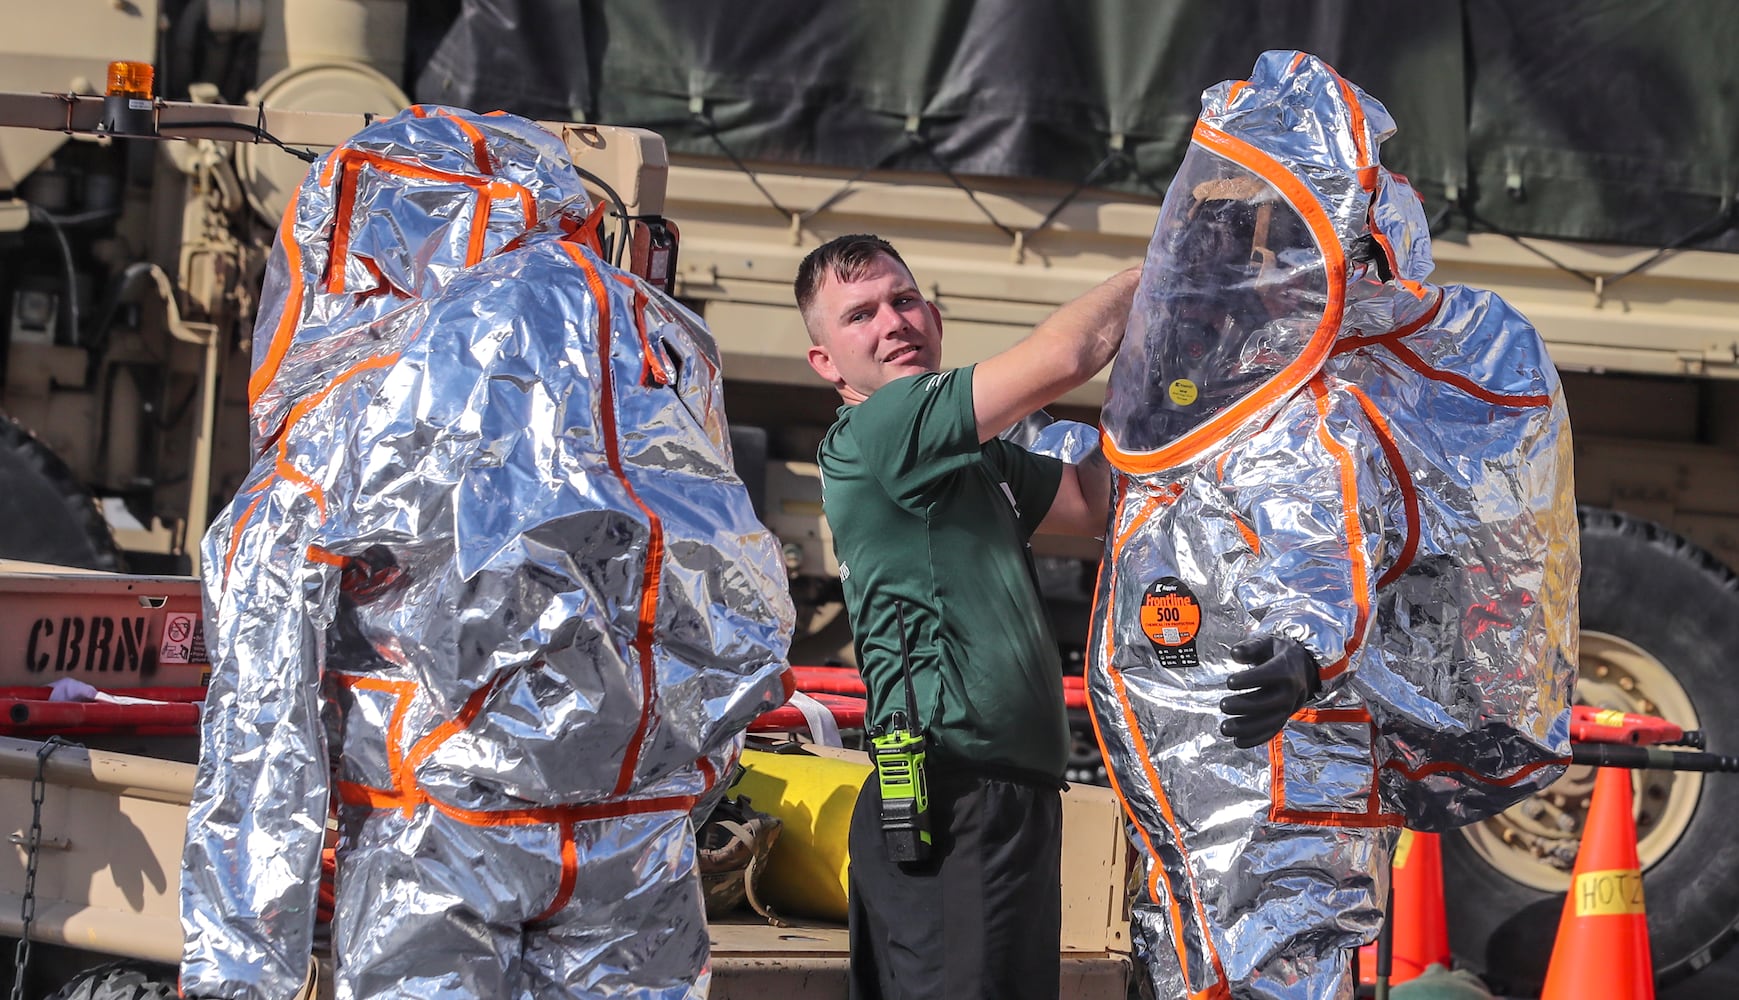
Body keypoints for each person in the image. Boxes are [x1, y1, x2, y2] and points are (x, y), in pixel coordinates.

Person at [793, 233, 1139, 999]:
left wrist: (1158, 395)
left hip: (1001, 797)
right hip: (951, 795)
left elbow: (1096, 503)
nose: (892, 323)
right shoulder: (884, 426)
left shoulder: (968, 456)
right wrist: (1157, 277)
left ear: (936, 318)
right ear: (826, 363)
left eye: (904, 300)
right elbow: (1066, 355)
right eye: (860, 316)